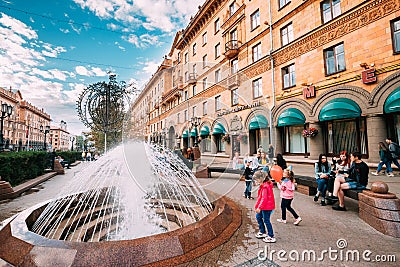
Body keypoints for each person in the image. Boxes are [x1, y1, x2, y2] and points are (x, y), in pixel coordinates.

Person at [253, 170, 276, 243]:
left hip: (266, 207)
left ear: (261, 179)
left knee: (266, 220)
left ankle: (271, 235)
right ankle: (262, 231)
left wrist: (259, 207)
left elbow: (264, 198)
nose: (256, 181)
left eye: (257, 179)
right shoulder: (263, 185)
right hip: (264, 206)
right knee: (258, 217)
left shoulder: (265, 187)